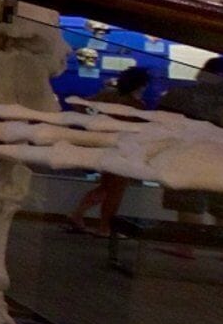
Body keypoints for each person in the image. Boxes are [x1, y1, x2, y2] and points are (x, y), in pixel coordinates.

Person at [157, 54, 223, 252]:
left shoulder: (180, 95)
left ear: (204, 72)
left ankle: (186, 247)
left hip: (190, 155)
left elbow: (163, 123)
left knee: (189, 202)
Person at [67, 61, 166, 233]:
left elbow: (79, 105)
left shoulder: (108, 95)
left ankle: (78, 214)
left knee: (107, 187)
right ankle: (104, 227)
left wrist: (93, 123)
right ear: (142, 85)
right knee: (115, 190)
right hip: (123, 150)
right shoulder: (136, 106)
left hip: (105, 145)